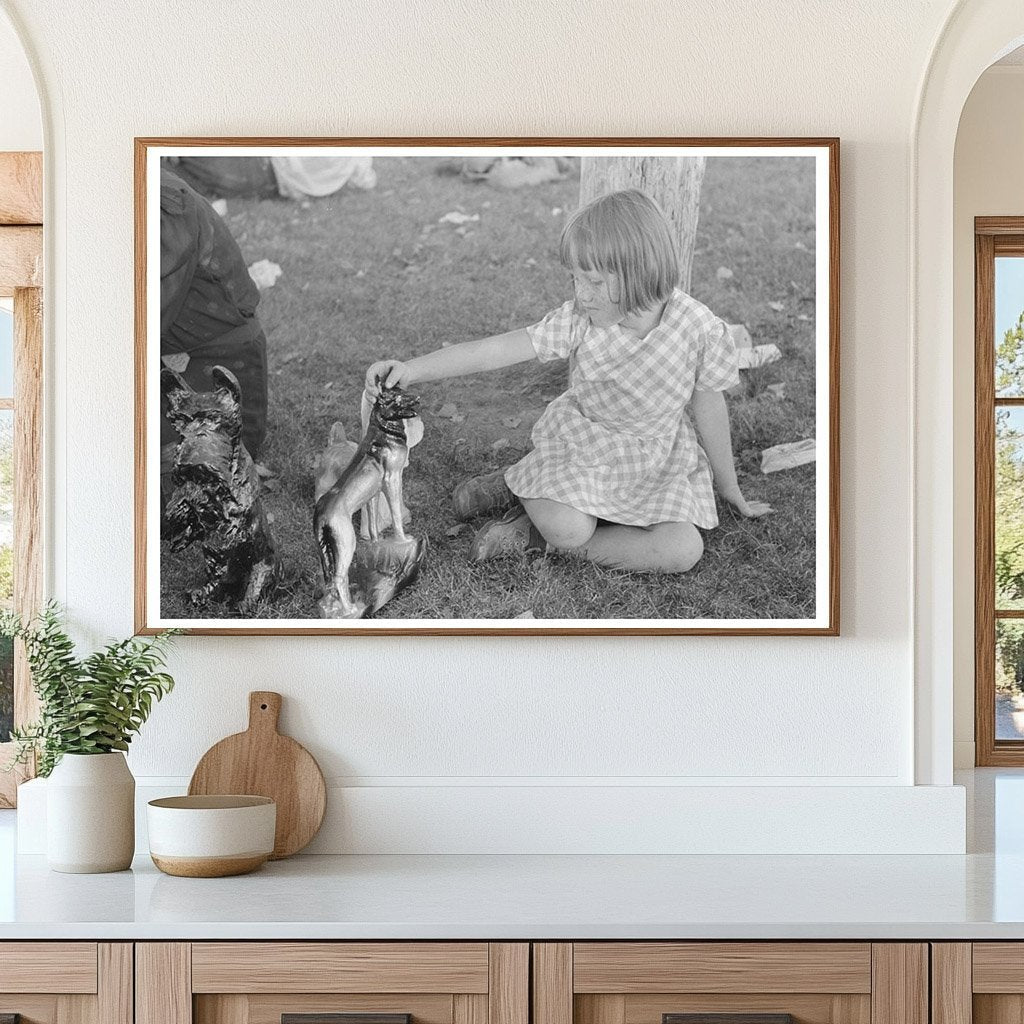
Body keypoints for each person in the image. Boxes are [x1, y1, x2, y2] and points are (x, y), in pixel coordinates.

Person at [365, 188, 771, 574]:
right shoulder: (580, 319)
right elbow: (494, 351)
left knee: (683, 549)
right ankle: (527, 493)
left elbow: (709, 406)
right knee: (570, 528)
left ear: (641, 271)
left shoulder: (700, 329)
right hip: (583, 446)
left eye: (594, 281)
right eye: (576, 278)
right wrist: (412, 368)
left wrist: (729, 488)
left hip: (656, 460)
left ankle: (529, 533)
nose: (583, 293)